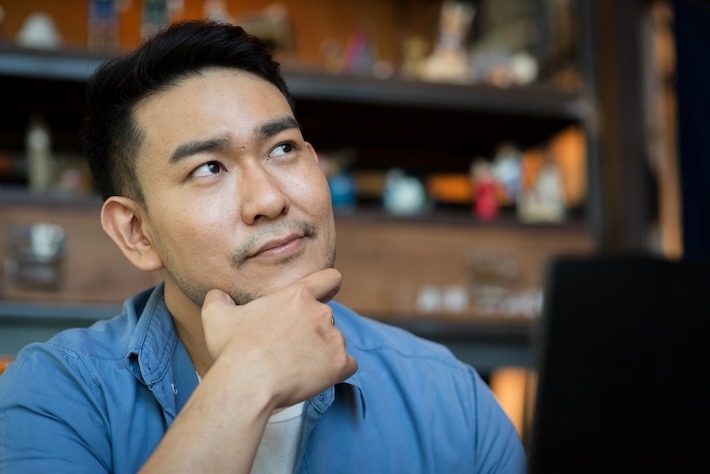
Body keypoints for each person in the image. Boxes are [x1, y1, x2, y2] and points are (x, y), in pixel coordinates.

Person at [0, 20, 526, 473]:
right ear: (137, 232)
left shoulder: (451, 401)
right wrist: (247, 380)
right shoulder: (56, 397)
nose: (270, 199)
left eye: (282, 149)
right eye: (209, 167)